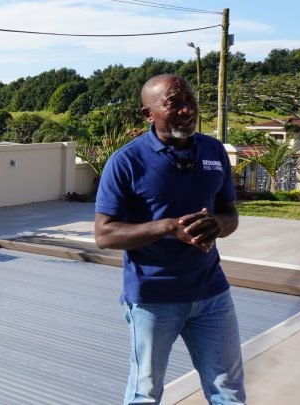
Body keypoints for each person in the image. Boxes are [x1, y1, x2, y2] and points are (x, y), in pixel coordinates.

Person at [94, 74, 244, 404]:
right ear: (148, 114)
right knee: (145, 393)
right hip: (153, 300)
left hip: (212, 295)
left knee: (229, 391)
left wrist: (216, 224)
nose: (187, 110)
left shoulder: (213, 150)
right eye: (174, 103)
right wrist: (168, 227)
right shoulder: (126, 162)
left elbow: (230, 214)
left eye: (191, 101)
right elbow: (104, 234)